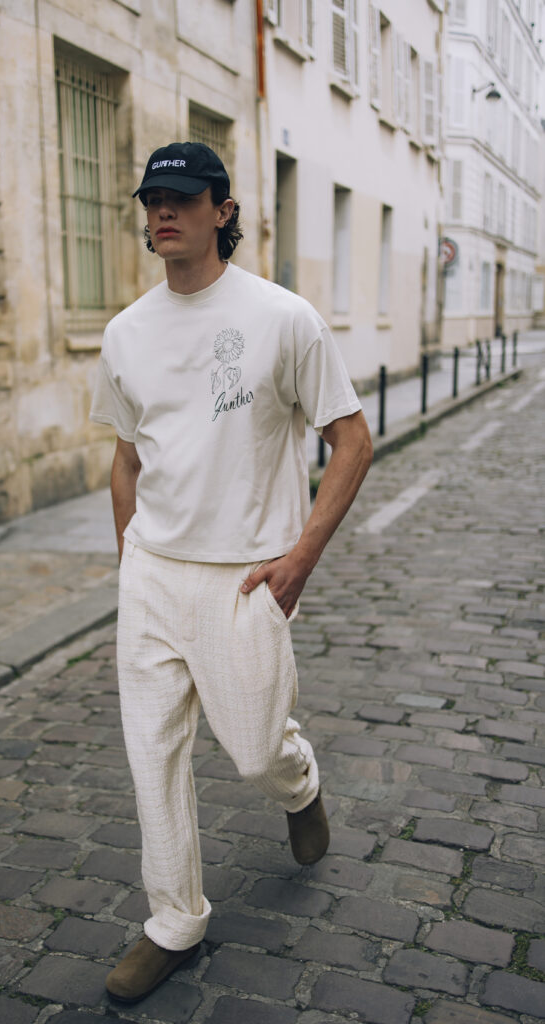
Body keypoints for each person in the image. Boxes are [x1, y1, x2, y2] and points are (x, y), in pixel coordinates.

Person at [89, 141, 373, 1004]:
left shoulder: (282, 318)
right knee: (152, 756)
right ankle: (174, 920)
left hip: (246, 577)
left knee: (252, 749)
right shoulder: (125, 333)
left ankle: (297, 781)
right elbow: (127, 458)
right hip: (153, 574)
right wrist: (130, 561)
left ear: (222, 211)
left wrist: (298, 560)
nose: (162, 211)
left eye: (181, 197)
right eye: (152, 199)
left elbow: (351, 440)